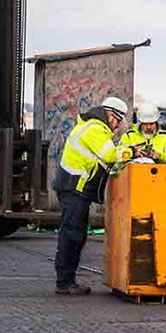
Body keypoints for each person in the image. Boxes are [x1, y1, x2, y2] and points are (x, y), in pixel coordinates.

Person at [51, 96, 129, 295]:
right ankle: (64, 282)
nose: (118, 126)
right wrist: (131, 152)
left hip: (75, 189)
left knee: (76, 235)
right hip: (74, 188)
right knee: (72, 235)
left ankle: (67, 280)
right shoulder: (95, 129)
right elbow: (110, 155)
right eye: (117, 121)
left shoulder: (92, 127)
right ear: (110, 115)